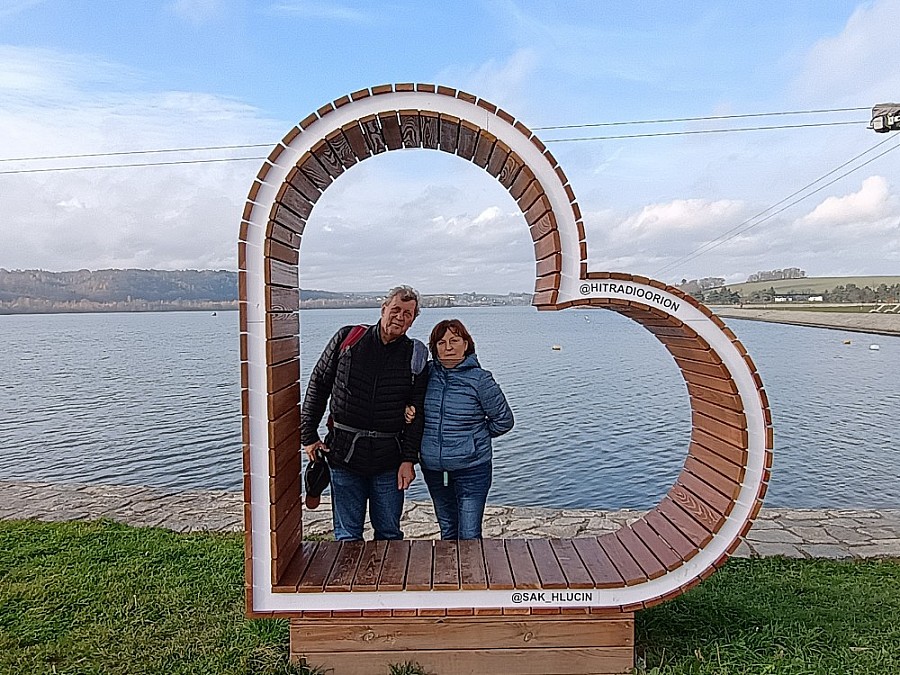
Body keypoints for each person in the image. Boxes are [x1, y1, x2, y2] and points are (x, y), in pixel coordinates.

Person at [300, 285, 427, 541]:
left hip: (389, 461)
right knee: (347, 536)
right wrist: (308, 436)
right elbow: (319, 385)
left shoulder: (415, 355)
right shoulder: (349, 339)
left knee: (389, 535)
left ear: (413, 320)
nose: (400, 317)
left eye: (408, 314)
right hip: (344, 455)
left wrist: (408, 459)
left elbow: (418, 412)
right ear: (383, 309)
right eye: (396, 310)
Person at [417, 319, 514, 539]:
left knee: (469, 534)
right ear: (434, 348)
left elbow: (504, 420)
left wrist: (473, 438)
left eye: (454, 340)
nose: (448, 347)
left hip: (472, 468)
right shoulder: (426, 376)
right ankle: (450, 564)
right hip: (434, 469)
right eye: (441, 343)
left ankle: (471, 564)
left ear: (466, 344)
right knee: (448, 531)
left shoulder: (480, 380)